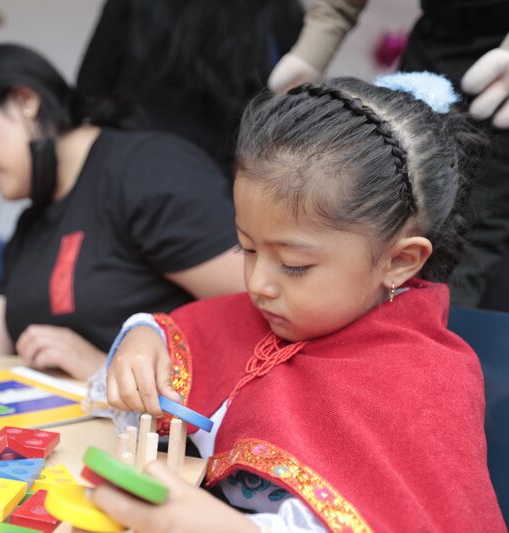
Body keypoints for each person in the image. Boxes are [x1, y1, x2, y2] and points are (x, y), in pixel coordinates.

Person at [97, 75, 503, 531]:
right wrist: (141, 340)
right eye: (246, 249)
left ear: (400, 261)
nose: (258, 284)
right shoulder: (263, 316)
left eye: (293, 265)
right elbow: (171, 338)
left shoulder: (427, 382)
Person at [0, 44, 245, 379]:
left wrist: (103, 367)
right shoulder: (33, 220)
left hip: (159, 429)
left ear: (25, 100)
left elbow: (256, 313)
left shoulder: (147, 170)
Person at [267, 0, 509, 309]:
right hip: (433, 48)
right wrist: (312, 49)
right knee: (402, 199)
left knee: (481, 217)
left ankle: (438, 331)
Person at [76, 0, 304, 178]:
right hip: (224, 177)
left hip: (133, 164)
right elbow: (288, 103)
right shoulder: (281, 10)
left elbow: (90, 85)